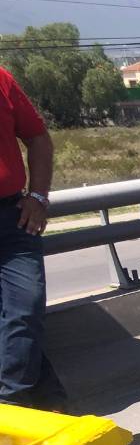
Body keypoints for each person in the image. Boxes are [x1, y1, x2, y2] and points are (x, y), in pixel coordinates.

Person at [0, 64, 64, 410]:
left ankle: (11, 405)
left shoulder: (1, 79)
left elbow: (38, 137)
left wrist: (38, 197)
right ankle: (46, 403)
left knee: (25, 306)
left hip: (12, 218)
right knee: (10, 320)